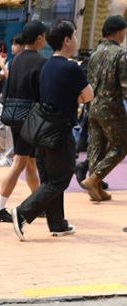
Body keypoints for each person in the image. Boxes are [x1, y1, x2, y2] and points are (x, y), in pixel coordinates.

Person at [11, 20, 93, 241]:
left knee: (49, 179)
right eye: (74, 35)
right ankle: (22, 212)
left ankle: (57, 224)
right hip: (59, 131)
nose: (76, 40)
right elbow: (89, 95)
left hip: (41, 130)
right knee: (61, 179)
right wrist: (74, 98)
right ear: (67, 40)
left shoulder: (46, 66)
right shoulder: (72, 68)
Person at [0, 20, 46, 223]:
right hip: (30, 119)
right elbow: (42, 94)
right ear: (39, 38)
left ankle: (38, 204)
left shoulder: (15, 61)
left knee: (29, 162)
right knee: (20, 162)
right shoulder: (41, 62)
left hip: (13, 115)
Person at [81, 14, 127, 202]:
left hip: (92, 105)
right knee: (122, 145)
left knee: (96, 147)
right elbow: (125, 85)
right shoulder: (121, 54)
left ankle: (96, 189)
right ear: (119, 32)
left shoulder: (95, 52)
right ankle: (94, 179)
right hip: (111, 108)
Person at [0, 35, 25, 168]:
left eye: (15, 44)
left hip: (14, 100)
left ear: (23, 46)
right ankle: (11, 151)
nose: (12, 47)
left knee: (9, 129)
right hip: (4, 99)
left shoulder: (22, 62)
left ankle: (9, 156)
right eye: (12, 44)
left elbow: (13, 78)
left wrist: (2, 64)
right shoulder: (11, 61)